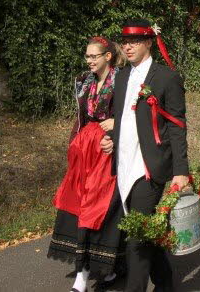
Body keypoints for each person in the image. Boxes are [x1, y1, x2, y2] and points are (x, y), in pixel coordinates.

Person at [101, 19, 189, 292]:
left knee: (137, 236)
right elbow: (123, 117)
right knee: (145, 230)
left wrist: (181, 169)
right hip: (124, 162)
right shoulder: (123, 76)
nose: (128, 46)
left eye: (135, 41)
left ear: (149, 43)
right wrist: (111, 139)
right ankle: (165, 283)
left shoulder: (167, 77)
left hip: (150, 166)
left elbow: (177, 126)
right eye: (125, 42)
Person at [48, 36, 126, 292]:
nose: (90, 60)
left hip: (107, 150)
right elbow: (81, 116)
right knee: (78, 205)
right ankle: (82, 272)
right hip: (85, 150)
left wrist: (116, 124)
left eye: (95, 56)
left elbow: (132, 114)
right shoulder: (84, 81)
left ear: (108, 56)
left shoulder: (121, 80)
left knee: (100, 208)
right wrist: (73, 145)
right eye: (88, 56)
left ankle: (108, 266)